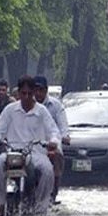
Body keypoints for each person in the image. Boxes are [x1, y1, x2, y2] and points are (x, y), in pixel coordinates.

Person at [0, 76, 60, 216]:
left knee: (47, 170)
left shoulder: (42, 111)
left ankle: (41, 208)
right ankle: (1, 203)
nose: (26, 97)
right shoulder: (10, 110)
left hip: (36, 153)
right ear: (18, 93)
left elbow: (53, 131)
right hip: (13, 152)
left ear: (33, 93)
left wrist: (53, 142)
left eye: (29, 93)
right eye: (23, 93)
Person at [34, 76, 70, 205]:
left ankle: (52, 194)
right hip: (30, 145)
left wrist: (65, 136)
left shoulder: (55, 105)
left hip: (50, 144)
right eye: (35, 90)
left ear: (46, 90)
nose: (38, 93)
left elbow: (62, 125)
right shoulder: (26, 104)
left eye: (41, 90)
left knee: (56, 157)